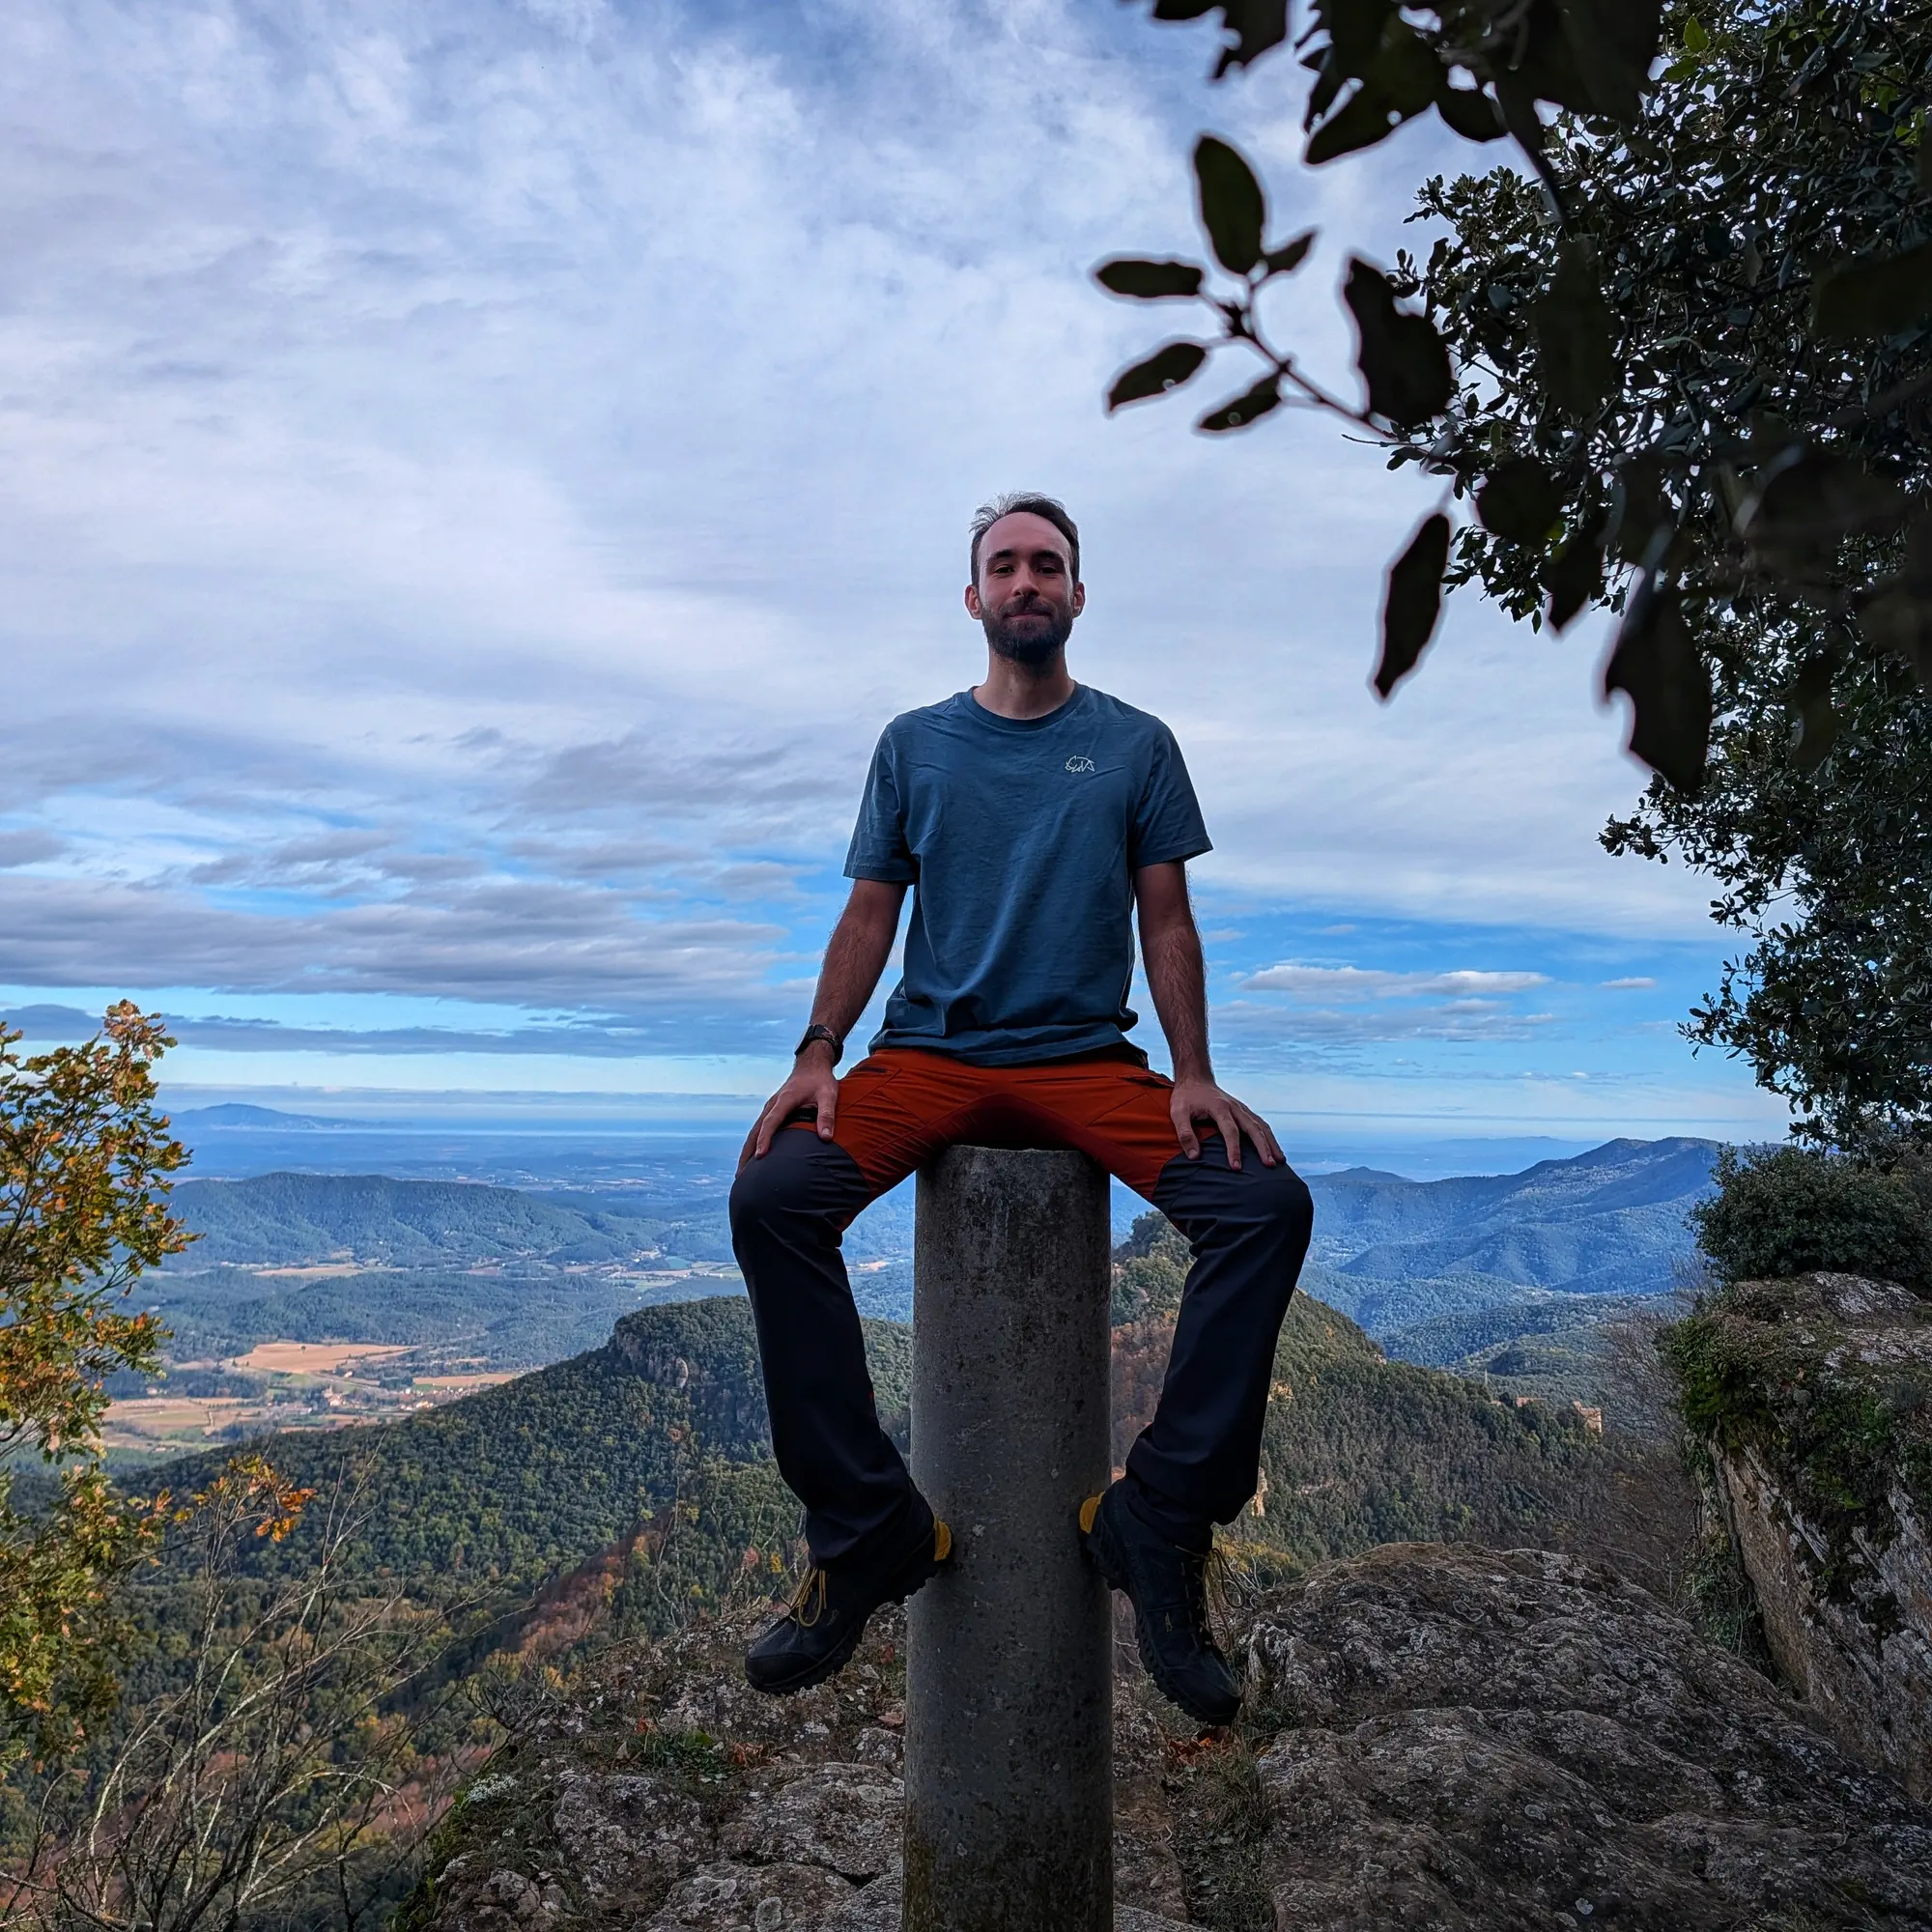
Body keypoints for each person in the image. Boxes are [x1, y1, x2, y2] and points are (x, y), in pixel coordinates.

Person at [729, 493, 1312, 1725]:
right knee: (775, 1193)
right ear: (973, 596)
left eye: (1048, 564)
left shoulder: (1136, 744)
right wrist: (817, 1049)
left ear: (1078, 595)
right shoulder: (913, 744)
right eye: (1005, 564)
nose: (1027, 580)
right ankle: (866, 1530)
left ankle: (1155, 1516)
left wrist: (1193, 1070)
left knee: (1261, 1204)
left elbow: (1166, 918)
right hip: (929, 1053)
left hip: (1083, 1060)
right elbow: (869, 914)